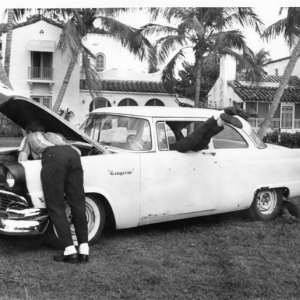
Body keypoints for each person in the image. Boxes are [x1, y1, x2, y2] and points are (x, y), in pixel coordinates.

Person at [18, 120, 89, 264]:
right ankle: (84, 251)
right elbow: (78, 151)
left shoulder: (29, 138)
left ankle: (70, 252)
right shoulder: (57, 135)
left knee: (56, 206)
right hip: (72, 155)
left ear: (29, 132)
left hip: (52, 157)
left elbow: (22, 160)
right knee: (78, 204)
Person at [170, 106, 245, 152]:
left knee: (196, 138)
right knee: (203, 138)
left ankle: (219, 119)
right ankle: (219, 121)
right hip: (193, 147)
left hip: (178, 147)